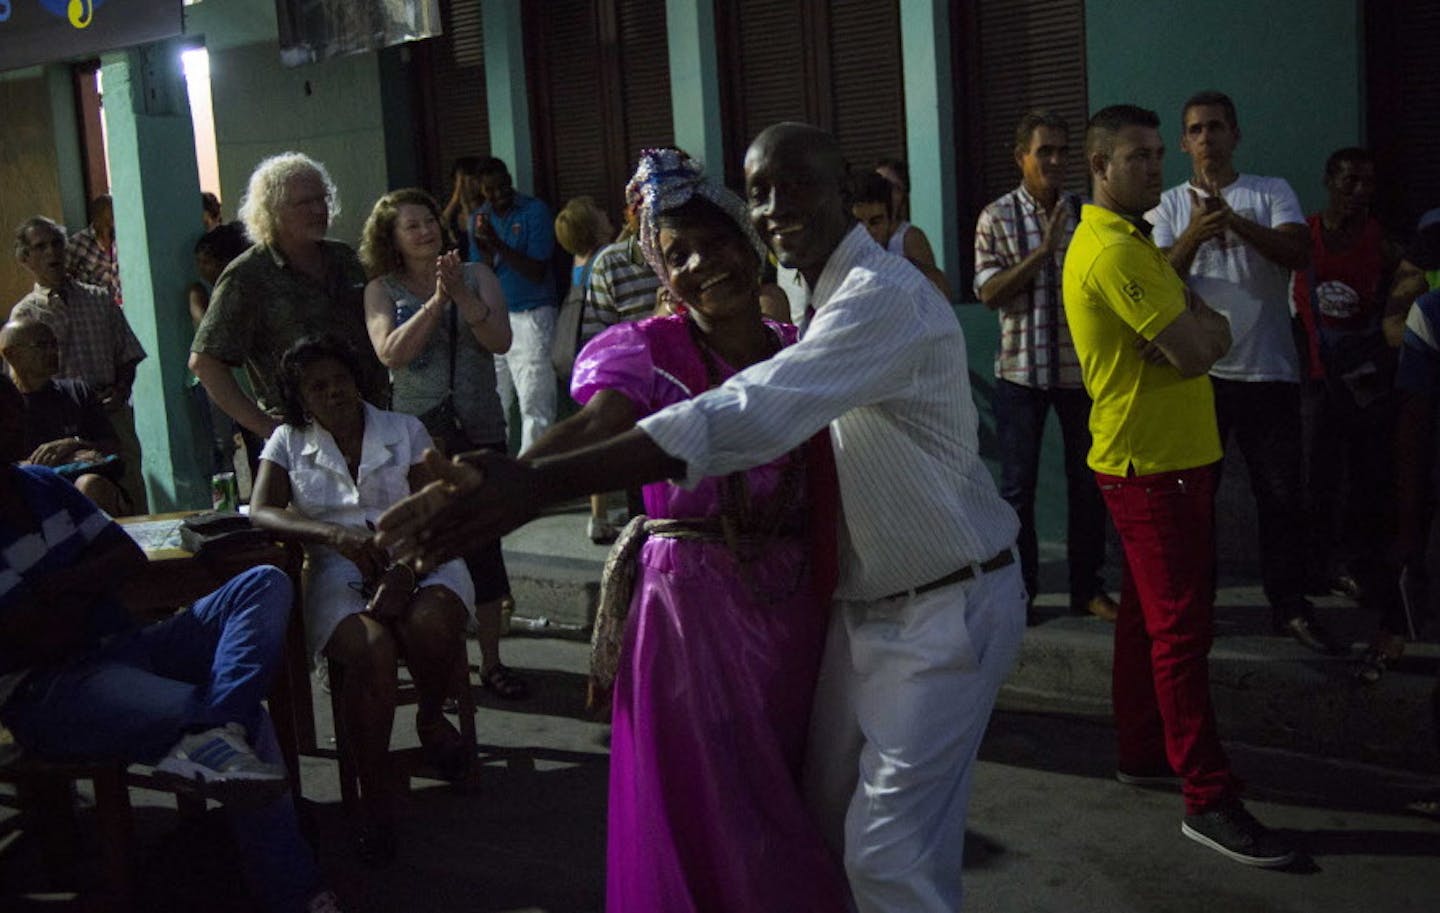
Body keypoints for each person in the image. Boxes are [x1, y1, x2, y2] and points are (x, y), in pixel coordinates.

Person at [377, 123, 1025, 913]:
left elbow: (746, 413)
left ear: (843, 186)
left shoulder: (868, 303)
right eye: (762, 193)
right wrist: (519, 474)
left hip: (929, 603)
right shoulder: (777, 316)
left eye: (799, 186)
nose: (778, 209)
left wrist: (527, 482)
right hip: (747, 621)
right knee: (795, 821)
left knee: (886, 854)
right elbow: (604, 420)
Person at [532, 148, 848, 912]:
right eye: (678, 255)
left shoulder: (797, 346)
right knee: (719, 814)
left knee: (796, 792)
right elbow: (598, 425)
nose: (705, 264)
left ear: (748, 244)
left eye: (717, 243)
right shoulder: (648, 350)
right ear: (659, 273)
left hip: (797, 613)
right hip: (692, 621)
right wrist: (514, 479)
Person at [0, 375, 343, 913]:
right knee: (245, 721)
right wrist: (80, 587)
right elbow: (25, 637)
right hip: (50, 689)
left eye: (13, 413)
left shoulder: (42, 485)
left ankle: (217, 731)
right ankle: (295, 894)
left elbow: (125, 557)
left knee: (263, 582)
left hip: (125, 646)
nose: (11, 425)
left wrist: (57, 587)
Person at [1064, 103, 1294, 867]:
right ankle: (1207, 795)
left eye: (1159, 153)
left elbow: (1199, 337)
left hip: (1157, 458)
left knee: (1144, 620)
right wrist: (1195, 327)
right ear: (1099, 165)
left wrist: (1195, 326)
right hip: (1153, 465)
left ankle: (1142, 751)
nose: (1157, 168)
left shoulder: (1131, 242)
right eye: (1138, 157)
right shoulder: (1116, 252)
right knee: (1180, 631)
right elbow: (1198, 350)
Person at [249, 335, 475, 864]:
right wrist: (333, 538)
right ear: (301, 397)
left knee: (429, 621)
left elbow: (436, 508)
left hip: (422, 553)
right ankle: (376, 797)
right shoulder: (287, 439)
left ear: (358, 382)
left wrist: (404, 567)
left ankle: (428, 716)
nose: (334, 393)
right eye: (317, 387)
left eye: (341, 381)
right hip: (336, 568)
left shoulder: (403, 429)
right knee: (371, 648)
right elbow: (262, 510)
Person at [1148, 90, 1339, 655]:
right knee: (1195, 501)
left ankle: (1289, 606)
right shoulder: (1167, 206)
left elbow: (1299, 253)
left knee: (1281, 497)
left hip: (1269, 372)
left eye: (1216, 127)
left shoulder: (1270, 191)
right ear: (1184, 143)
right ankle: (1198, 609)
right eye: (1196, 130)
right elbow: (1158, 280)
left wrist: (1232, 219)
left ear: (1236, 135)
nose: (1207, 138)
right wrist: (1195, 234)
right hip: (1201, 377)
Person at [358, 188, 528, 701]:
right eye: (411, 226)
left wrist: (463, 296)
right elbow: (391, 353)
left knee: (485, 540)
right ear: (391, 238)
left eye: (429, 220)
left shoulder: (477, 275)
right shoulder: (381, 290)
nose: (425, 231)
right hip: (419, 436)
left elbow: (500, 341)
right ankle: (439, 660)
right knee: (429, 543)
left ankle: (493, 662)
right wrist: (437, 300)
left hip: (479, 428)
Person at [973, 109, 1116, 624]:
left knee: (1088, 484)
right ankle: (1022, 592)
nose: (1055, 160)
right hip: (1021, 374)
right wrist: (1044, 253)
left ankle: (1088, 589)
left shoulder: (1088, 211)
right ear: (1021, 158)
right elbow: (988, 292)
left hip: (1082, 373)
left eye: (1061, 150)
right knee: (1017, 492)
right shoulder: (996, 216)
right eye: (1044, 151)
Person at [189, 152, 389, 454]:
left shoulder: (345, 259)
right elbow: (205, 363)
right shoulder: (248, 275)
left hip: (369, 428)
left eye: (322, 199)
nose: (318, 210)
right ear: (271, 211)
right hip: (304, 441)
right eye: (304, 203)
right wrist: (268, 429)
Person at [1291, 148, 1404, 617]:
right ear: (1329, 181)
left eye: (1367, 184)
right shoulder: (1307, 235)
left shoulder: (1382, 243)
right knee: (1316, 477)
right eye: (1350, 181)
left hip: (1362, 382)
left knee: (1363, 479)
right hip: (1316, 379)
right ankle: (1316, 565)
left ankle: (1356, 564)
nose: (1359, 192)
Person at [12, 216, 148, 513]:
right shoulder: (25, 316)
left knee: (129, 489)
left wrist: (122, 387)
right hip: (65, 418)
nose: (52, 253)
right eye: (41, 247)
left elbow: (128, 352)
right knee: (77, 496)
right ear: (26, 258)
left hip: (110, 411)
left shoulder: (98, 298)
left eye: (57, 243)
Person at [468, 157, 558, 452]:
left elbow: (536, 270)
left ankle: (536, 470)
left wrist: (495, 243)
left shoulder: (534, 211)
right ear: (482, 191)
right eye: (491, 190)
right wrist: (483, 247)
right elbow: (480, 273)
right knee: (496, 401)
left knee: (535, 400)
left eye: (504, 184)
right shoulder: (479, 219)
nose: (500, 193)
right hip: (494, 319)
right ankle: (500, 470)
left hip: (531, 315)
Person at [0, 317, 126, 515]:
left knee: (91, 484)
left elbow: (113, 446)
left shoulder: (76, 392)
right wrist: (39, 465)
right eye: (42, 345)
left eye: (54, 344)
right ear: (11, 354)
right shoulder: (6, 403)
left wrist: (75, 443)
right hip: (29, 492)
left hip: (79, 486)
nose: (53, 352)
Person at [553, 195, 622, 544]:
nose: (607, 213)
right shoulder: (605, 259)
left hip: (587, 359)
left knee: (599, 435)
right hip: (607, 357)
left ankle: (600, 515)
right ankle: (602, 516)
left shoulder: (579, 261)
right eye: (599, 211)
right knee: (611, 437)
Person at [188, 222, 253, 475]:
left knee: (257, 442)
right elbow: (207, 327)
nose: (202, 269)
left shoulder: (243, 289)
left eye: (207, 262)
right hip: (208, 381)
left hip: (242, 378)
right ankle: (225, 501)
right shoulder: (201, 292)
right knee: (221, 444)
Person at [853, 172, 950, 296]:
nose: (867, 231)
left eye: (875, 222)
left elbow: (940, 292)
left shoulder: (908, 243)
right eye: (858, 224)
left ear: (890, 221)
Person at [873, 157, 947, 297]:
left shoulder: (910, 237)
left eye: (893, 188)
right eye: (879, 185)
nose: (885, 193)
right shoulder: (859, 232)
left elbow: (937, 290)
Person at [65, 194, 120, 306]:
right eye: (107, 215)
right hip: (91, 304)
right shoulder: (79, 242)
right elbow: (64, 273)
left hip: (118, 304)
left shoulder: (120, 240)